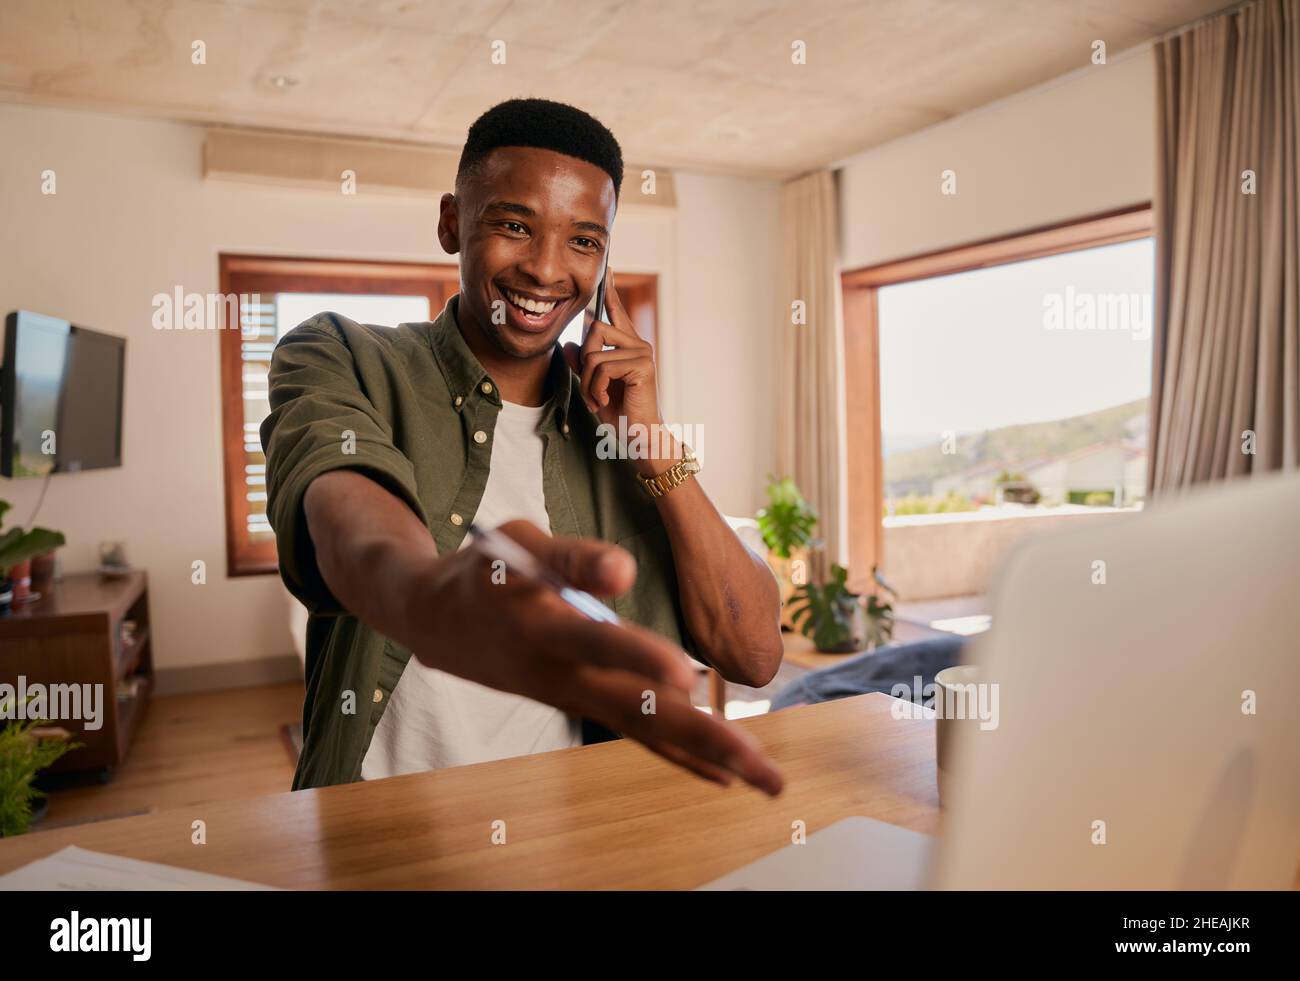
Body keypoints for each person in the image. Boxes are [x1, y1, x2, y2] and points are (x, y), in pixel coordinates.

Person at [261, 98, 784, 796]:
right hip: (373, 828)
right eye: (514, 225)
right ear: (452, 223)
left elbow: (753, 653)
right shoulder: (339, 354)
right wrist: (422, 593)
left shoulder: (617, 436)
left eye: (584, 241)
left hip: (567, 836)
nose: (545, 269)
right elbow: (344, 513)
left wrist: (653, 444)